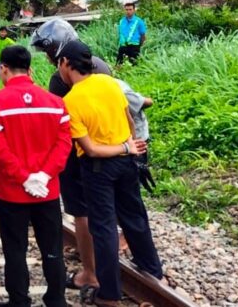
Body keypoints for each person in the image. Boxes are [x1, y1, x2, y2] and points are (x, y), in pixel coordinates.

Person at [58, 41, 162, 306]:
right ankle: (152, 268)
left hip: (99, 169)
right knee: (134, 215)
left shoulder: (70, 100)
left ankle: (109, 294)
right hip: (126, 161)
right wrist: (130, 146)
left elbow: (90, 149)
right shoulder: (110, 83)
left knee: (103, 228)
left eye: (60, 63)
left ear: (67, 64)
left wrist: (121, 147)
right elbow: (129, 119)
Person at [0, 45, 73, 307]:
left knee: (15, 249)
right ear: (30, 70)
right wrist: (44, 176)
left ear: (3, 69)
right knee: (52, 249)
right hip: (47, 191)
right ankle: (56, 300)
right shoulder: (56, 103)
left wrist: (24, 178)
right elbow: (64, 144)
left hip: (11, 192)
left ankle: (19, 301)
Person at [31, 17, 113, 291]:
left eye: (48, 52)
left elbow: (58, 123)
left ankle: (90, 272)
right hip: (111, 149)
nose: (47, 58)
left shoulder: (60, 79)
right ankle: (108, 262)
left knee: (81, 212)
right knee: (105, 211)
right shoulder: (101, 65)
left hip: (80, 152)